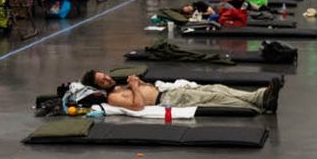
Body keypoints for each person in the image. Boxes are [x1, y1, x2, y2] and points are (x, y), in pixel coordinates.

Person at [80, 70, 281, 114]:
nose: (106, 77)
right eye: (102, 80)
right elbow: (138, 105)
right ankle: (258, 104)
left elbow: (145, 90)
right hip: (168, 100)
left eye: (104, 74)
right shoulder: (113, 97)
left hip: (171, 91)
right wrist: (134, 87)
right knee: (215, 97)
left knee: (218, 88)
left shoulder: (121, 86)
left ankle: (261, 96)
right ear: (100, 87)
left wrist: (139, 82)